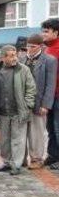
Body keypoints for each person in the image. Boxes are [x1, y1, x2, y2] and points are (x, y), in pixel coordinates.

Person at [0, 45, 36, 176]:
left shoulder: (23, 70)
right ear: (3, 57)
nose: (15, 58)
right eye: (11, 55)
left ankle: (16, 164)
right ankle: (7, 162)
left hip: (19, 111)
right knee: (4, 140)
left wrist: (27, 104)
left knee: (18, 139)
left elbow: (31, 88)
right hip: (2, 112)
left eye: (15, 55)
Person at [25, 34, 57, 169]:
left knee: (37, 132)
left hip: (39, 103)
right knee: (21, 133)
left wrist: (45, 104)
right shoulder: (22, 59)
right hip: (24, 102)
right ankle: (20, 158)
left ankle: (37, 158)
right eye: (28, 46)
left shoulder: (50, 60)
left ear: (40, 46)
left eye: (32, 46)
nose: (29, 49)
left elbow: (51, 84)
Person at [41, 18, 59, 169]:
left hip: (58, 95)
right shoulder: (46, 49)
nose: (43, 34)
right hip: (50, 96)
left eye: (46, 31)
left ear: (56, 32)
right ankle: (53, 155)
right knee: (51, 128)